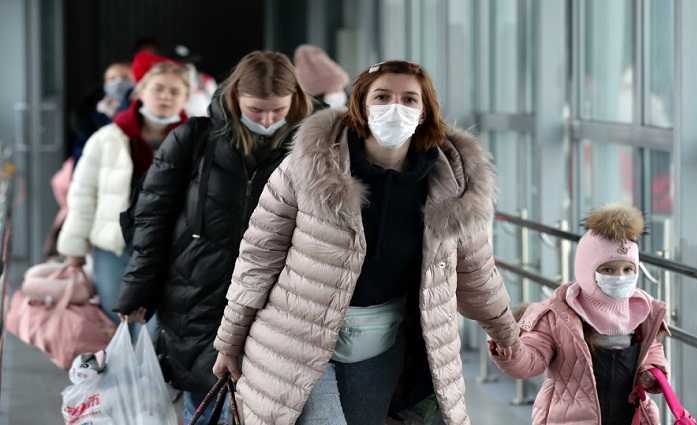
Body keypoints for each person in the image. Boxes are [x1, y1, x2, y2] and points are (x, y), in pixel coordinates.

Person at [211, 60, 520, 425]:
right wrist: (229, 341)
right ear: (360, 105)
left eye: (409, 100)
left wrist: (506, 333)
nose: (395, 108)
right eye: (382, 97)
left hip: (382, 344)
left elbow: (476, 271)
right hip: (298, 339)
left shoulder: (452, 183)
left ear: (424, 112)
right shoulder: (306, 167)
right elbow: (259, 258)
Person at [115, 51, 314, 425]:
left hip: (276, 305)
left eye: (278, 110)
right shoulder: (194, 139)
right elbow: (151, 218)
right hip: (198, 300)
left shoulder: (310, 150)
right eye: (256, 110)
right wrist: (137, 291)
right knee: (207, 405)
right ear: (235, 97)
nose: (268, 120)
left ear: (296, 102)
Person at [489, 204, 670, 425]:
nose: (620, 278)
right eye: (608, 270)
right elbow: (530, 361)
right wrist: (508, 347)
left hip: (631, 418)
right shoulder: (558, 315)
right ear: (586, 269)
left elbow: (651, 350)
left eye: (627, 269)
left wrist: (652, 372)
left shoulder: (643, 311)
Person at [57, 52, 190, 324]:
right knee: (116, 315)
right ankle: (122, 367)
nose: (166, 96)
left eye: (175, 91)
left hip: (171, 244)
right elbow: (83, 194)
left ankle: (150, 368)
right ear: (140, 91)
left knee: (159, 322)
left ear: (186, 97)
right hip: (114, 244)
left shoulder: (194, 140)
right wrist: (74, 248)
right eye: (159, 89)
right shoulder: (108, 138)